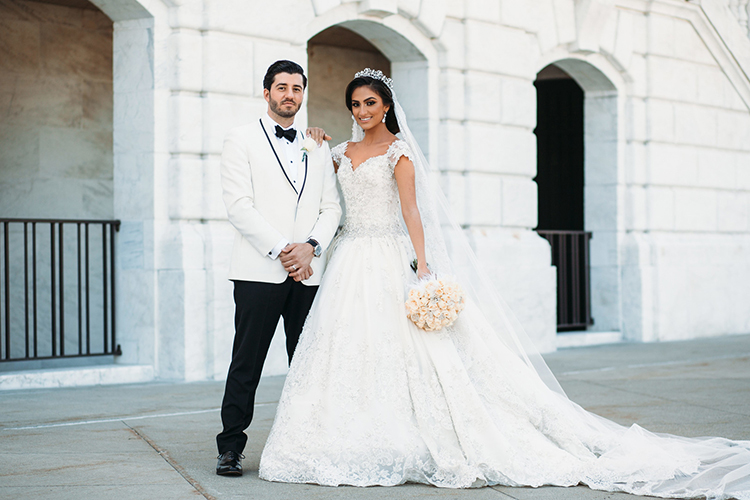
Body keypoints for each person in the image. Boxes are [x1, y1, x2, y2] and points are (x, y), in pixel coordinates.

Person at [258, 69, 750, 499]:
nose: (362, 111)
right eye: (355, 105)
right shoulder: (339, 152)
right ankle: (348, 436)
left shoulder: (398, 153)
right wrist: (315, 137)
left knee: (412, 355)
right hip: (349, 260)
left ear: (386, 105)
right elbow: (318, 183)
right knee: (348, 351)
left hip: (389, 255)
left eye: (370, 103)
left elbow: (411, 212)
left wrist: (423, 267)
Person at [215, 60, 341, 476]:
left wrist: (310, 248)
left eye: (297, 88)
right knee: (246, 362)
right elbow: (239, 206)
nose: (289, 94)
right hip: (258, 271)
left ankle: (309, 443)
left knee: (306, 363)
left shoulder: (317, 145)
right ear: (266, 92)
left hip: (309, 273)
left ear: (303, 94)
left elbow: (331, 207)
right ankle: (231, 447)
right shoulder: (240, 139)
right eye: (281, 87)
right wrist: (282, 251)